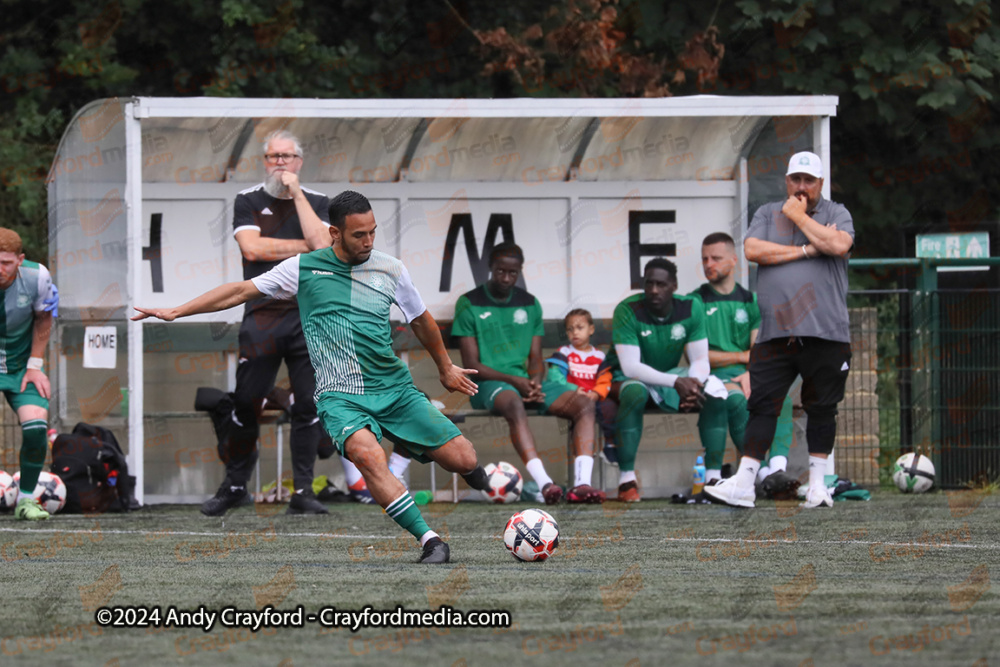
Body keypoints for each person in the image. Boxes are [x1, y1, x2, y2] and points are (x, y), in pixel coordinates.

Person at [134, 190, 488, 563]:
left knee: (463, 458)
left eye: (372, 232)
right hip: (340, 396)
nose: (368, 241)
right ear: (334, 232)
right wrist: (176, 310)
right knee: (368, 457)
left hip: (394, 390)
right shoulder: (302, 268)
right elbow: (240, 291)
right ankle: (430, 541)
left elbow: (421, 319)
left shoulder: (392, 268)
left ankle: (474, 470)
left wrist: (445, 367)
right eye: (358, 235)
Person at [202, 129, 366, 517]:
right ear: (265, 162)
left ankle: (303, 491)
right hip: (261, 315)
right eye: (273, 157)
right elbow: (253, 249)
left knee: (309, 403)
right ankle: (236, 485)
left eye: (286, 157)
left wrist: (297, 196)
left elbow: (324, 245)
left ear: (299, 162)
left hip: (307, 316)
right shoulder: (248, 199)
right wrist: (306, 249)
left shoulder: (321, 203)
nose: (279, 163)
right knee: (245, 401)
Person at [705, 151, 854, 509]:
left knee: (822, 409)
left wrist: (800, 218)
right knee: (762, 407)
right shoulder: (766, 213)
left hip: (826, 332)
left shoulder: (838, 213)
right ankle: (743, 484)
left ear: (820, 183)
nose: (801, 186)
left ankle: (818, 487)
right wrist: (807, 248)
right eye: (795, 179)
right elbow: (754, 250)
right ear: (787, 181)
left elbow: (839, 244)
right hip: (775, 333)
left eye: (809, 180)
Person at [453, 244, 603, 505]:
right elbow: (471, 363)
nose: (506, 278)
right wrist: (516, 382)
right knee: (513, 403)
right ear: (490, 268)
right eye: (501, 271)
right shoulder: (469, 303)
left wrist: (534, 381)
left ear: (519, 271)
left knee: (584, 405)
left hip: (523, 382)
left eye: (513, 272)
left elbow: (535, 358)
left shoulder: (530, 303)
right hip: (488, 385)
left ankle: (581, 485)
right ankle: (546, 484)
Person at [605, 257, 728, 502]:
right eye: (648, 284)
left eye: (661, 284)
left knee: (715, 393)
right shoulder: (627, 309)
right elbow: (630, 367)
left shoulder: (691, 307)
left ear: (674, 285)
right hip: (626, 378)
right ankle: (626, 480)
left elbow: (701, 360)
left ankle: (714, 478)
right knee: (634, 393)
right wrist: (676, 383)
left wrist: (693, 385)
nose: (653, 290)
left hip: (668, 376)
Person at [690, 233, 797, 496]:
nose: (708, 264)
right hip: (711, 377)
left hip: (747, 374)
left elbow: (756, 350)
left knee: (780, 397)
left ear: (734, 261)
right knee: (735, 400)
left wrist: (751, 371)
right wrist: (742, 358)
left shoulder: (750, 300)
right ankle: (760, 474)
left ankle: (776, 469)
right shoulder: (695, 301)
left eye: (715, 258)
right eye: (704, 259)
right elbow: (702, 358)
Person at [0, 228, 57, 520]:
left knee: (36, 429)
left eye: (6, 262)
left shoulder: (37, 278)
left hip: (22, 366)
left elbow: (44, 317)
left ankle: (25, 501)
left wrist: (35, 365)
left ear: (20, 260)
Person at [546, 308, 617, 466]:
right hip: (573, 398)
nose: (574, 333)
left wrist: (597, 393)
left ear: (591, 329)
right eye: (570, 329)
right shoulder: (563, 352)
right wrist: (572, 389)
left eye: (580, 328)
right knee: (580, 416)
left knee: (610, 407)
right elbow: (555, 377)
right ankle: (582, 454)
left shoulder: (599, 355)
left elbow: (605, 378)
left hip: (594, 396)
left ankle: (610, 445)